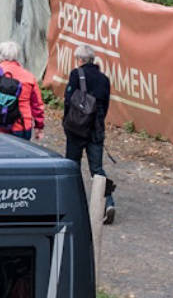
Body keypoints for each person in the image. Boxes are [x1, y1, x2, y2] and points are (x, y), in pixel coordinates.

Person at [64, 43, 116, 224]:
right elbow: (106, 106)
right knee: (97, 170)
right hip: (96, 129)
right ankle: (108, 203)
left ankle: (73, 206)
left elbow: (68, 102)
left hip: (76, 129)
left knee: (72, 166)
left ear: (79, 59)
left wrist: (67, 124)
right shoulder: (104, 79)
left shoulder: (75, 75)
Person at [0, 40, 45, 141]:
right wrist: (39, 126)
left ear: (0, 55)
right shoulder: (29, 77)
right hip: (21, 125)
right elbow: (37, 105)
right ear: (17, 56)